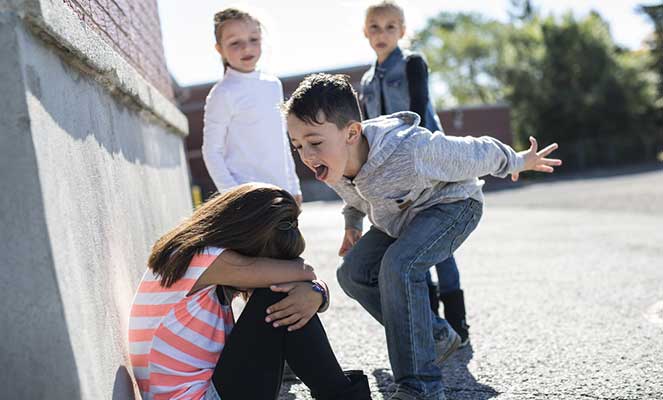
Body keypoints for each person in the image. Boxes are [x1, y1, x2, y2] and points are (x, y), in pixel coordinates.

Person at [284, 74, 561, 400]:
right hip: (402, 219)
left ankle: (422, 388)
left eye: (314, 142)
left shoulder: (410, 149)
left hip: (454, 205)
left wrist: (517, 160)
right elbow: (355, 197)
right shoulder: (332, 161)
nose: (306, 155)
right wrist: (352, 226)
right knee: (352, 273)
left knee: (398, 266)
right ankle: (436, 336)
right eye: (297, 145)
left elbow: (474, 151)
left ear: (351, 133)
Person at [128, 183, 372, 400]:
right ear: (247, 239)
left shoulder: (192, 257)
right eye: (268, 261)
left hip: (206, 390)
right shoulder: (202, 259)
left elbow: (304, 277)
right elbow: (304, 271)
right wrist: (315, 290)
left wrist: (318, 293)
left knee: (283, 294)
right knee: (277, 294)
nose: (268, 270)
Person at [359, 1, 468, 343]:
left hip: (427, 165)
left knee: (439, 246)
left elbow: (419, 111)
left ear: (402, 31)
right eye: (375, 27)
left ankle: (458, 324)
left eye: (391, 27)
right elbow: (367, 130)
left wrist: (425, 162)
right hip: (391, 175)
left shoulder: (412, 64)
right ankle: (434, 327)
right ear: (365, 32)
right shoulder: (365, 80)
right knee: (411, 245)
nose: (382, 33)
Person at [202, 8, 302, 205]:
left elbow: (281, 141)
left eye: (253, 39)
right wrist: (233, 195)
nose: (246, 48)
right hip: (247, 198)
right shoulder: (223, 93)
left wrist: (294, 186)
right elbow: (211, 151)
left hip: (282, 193)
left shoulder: (273, 85)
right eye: (235, 43)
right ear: (219, 49)